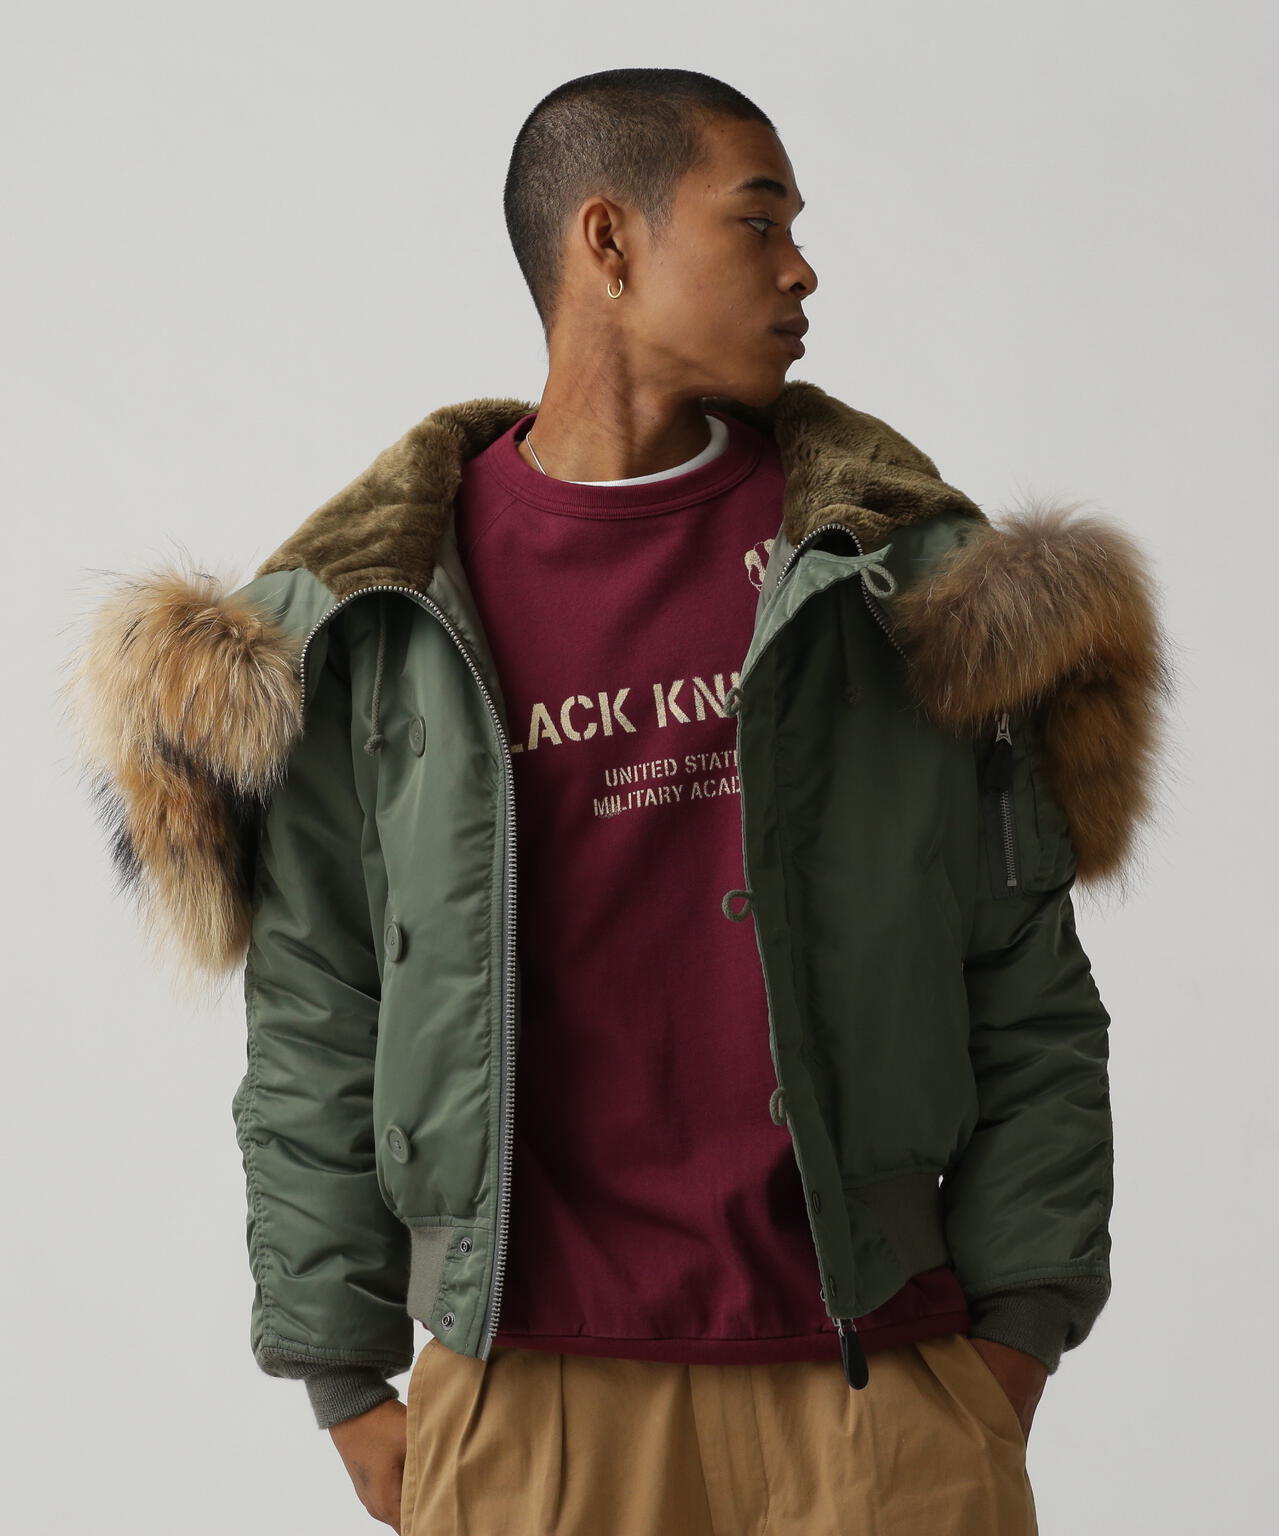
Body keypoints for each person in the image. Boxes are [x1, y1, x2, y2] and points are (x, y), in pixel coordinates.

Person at [68, 66, 1173, 1535]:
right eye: (759, 221)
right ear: (609, 240)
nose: (802, 269)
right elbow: (317, 1003)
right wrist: (344, 1378)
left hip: (880, 1381)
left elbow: (1025, 982)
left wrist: (1015, 1338)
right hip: (529, 1399)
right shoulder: (371, 619)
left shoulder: (909, 586)